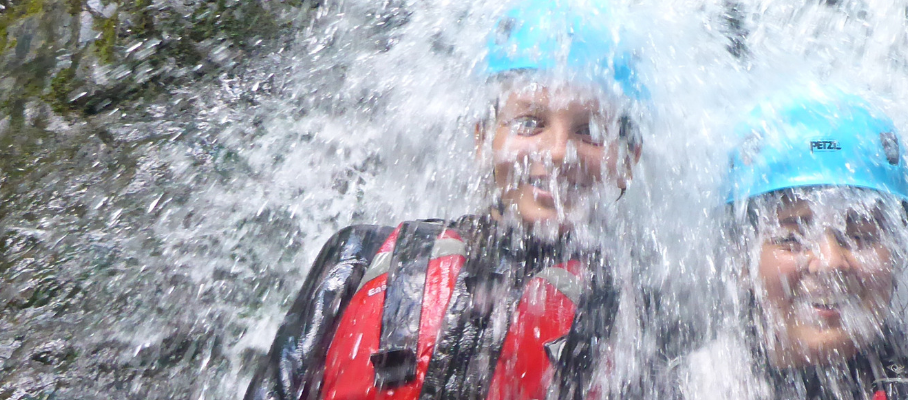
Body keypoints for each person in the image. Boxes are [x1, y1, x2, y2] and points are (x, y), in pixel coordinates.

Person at [244, 1, 643, 399]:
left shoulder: (630, 321)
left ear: (627, 161)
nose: (558, 152)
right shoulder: (359, 256)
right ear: (483, 139)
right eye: (529, 123)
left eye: (590, 130)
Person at [660, 88, 908, 400]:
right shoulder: (692, 387)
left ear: (898, 254)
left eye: (861, 237)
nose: (830, 261)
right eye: (792, 239)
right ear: (740, 260)